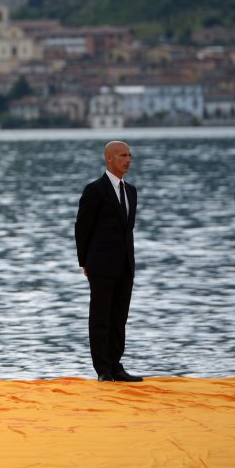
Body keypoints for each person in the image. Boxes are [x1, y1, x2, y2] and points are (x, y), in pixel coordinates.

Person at [74, 141, 143, 383]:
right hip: (101, 265)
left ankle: (116, 366)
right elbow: (82, 228)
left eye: (130, 155)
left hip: (125, 265)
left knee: (119, 318)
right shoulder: (95, 190)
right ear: (109, 158)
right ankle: (103, 370)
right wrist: (84, 261)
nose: (128, 160)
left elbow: (127, 230)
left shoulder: (131, 191)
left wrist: (130, 262)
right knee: (100, 318)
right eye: (123, 155)